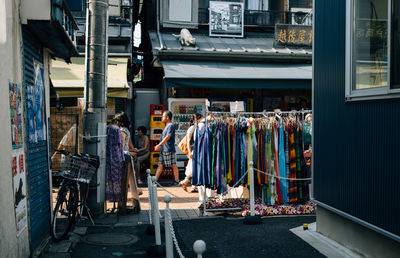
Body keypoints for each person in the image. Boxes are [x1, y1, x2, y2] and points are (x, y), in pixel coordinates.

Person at [112, 112, 141, 214]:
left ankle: (122, 204)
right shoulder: (126, 130)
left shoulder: (122, 131)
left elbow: (121, 145)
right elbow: (130, 145)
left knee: (123, 182)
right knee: (129, 182)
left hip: (123, 158)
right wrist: (133, 151)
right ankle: (135, 199)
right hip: (127, 158)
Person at [155, 110, 179, 184]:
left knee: (173, 165)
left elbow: (168, 137)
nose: (162, 118)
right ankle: (155, 180)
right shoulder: (167, 126)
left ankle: (176, 180)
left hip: (168, 149)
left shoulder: (170, 126)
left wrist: (159, 145)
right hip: (164, 149)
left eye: (163, 116)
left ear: (167, 117)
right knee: (160, 164)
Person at [179, 113, 202, 191]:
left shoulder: (197, 127)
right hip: (193, 151)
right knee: (193, 167)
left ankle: (194, 186)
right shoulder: (192, 128)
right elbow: (188, 141)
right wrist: (189, 152)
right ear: (197, 119)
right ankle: (185, 182)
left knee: (194, 167)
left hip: (195, 151)